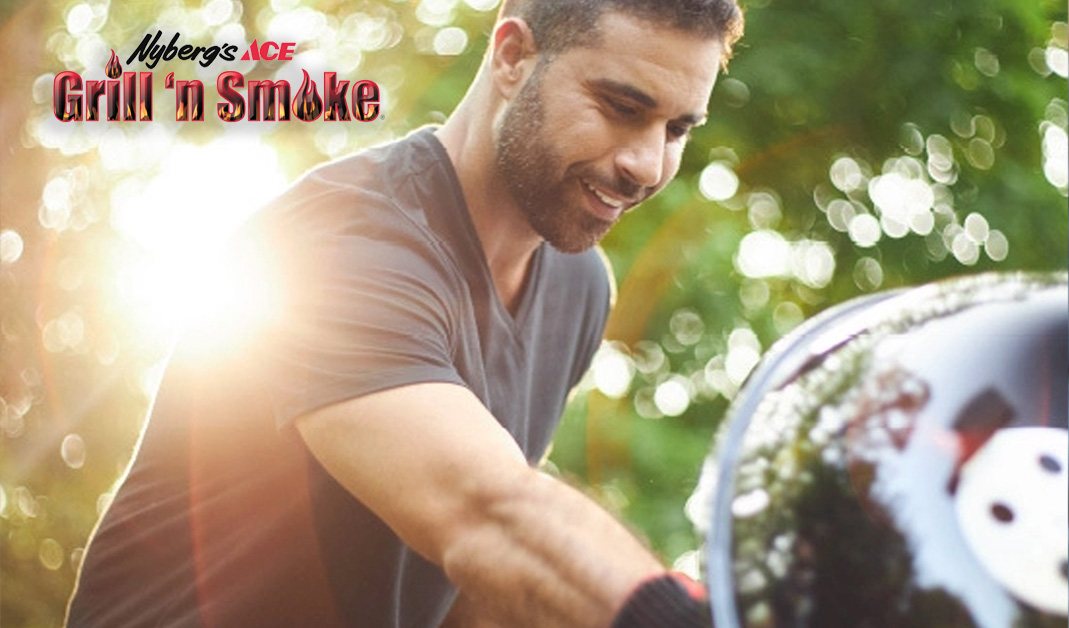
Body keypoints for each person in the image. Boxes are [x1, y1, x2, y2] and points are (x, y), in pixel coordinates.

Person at [66, 0, 744, 626]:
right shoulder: (339, 241)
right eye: (621, 107)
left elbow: (461, 585)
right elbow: (485, 514)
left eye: (677, 129)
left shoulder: (577, 288)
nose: (646, 165)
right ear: (512, 56)